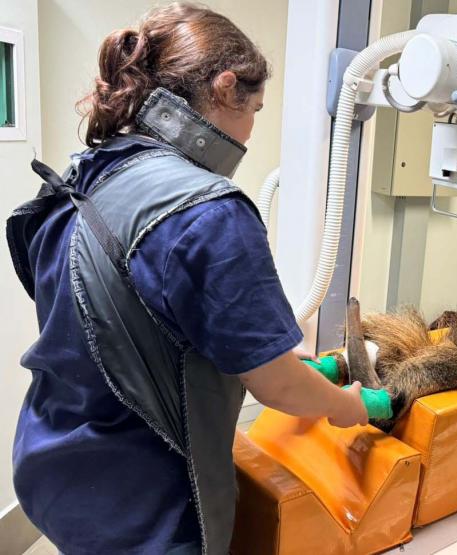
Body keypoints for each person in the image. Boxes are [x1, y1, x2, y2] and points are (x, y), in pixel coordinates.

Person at [7, 4, 369, 553]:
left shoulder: (93, 169)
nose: (250, 135)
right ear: (226, 88)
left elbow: (128, 321)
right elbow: (275, 385)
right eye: (255, 111)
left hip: (53, 462)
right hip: (141, 501)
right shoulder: (209, 211)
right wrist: (351, 407)